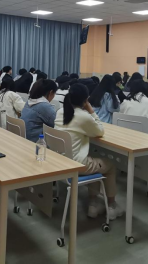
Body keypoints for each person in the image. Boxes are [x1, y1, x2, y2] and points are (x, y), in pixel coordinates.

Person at [55, 83, 122, 219]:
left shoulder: (60, 112)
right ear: (86, 99)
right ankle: (111, 205)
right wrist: (91, 110)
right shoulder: (83, 117)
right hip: (76, 164)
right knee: (110, 165)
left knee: (94, 159)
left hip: (61, 161)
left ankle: (93, 204)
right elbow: (100, 131)